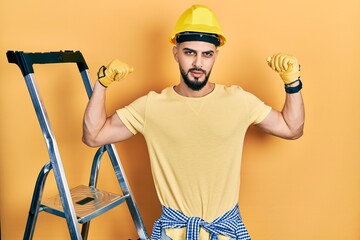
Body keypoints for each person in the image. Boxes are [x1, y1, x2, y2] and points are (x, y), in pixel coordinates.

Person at [82, 4, 304, 240]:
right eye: (190, 52)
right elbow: (93, 135)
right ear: (175, 53)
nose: (198, 63)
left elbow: (293, 129)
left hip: (225, 232)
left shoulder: (238, 101)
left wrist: (292, 83)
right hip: (173, 233)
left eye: (207, 54)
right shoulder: (152, 106)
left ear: (215, 56)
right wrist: (102, 84)